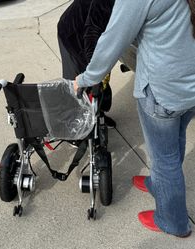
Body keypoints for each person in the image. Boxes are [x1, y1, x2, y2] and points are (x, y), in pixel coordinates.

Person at [74, 0, 195, 237]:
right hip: (189, 88)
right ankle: (158, 184)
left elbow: (113, 40)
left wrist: (88, 77)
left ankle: (173, 221)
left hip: (163, 90)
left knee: (164, 158)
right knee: (175, 140)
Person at [57, 0, 116, 128]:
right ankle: (75, 126)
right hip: (72, 33)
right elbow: (92, 33)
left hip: (95, 31)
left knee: (101, 78)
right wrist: (93, 68)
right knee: (79, 80)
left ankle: (98, 115)